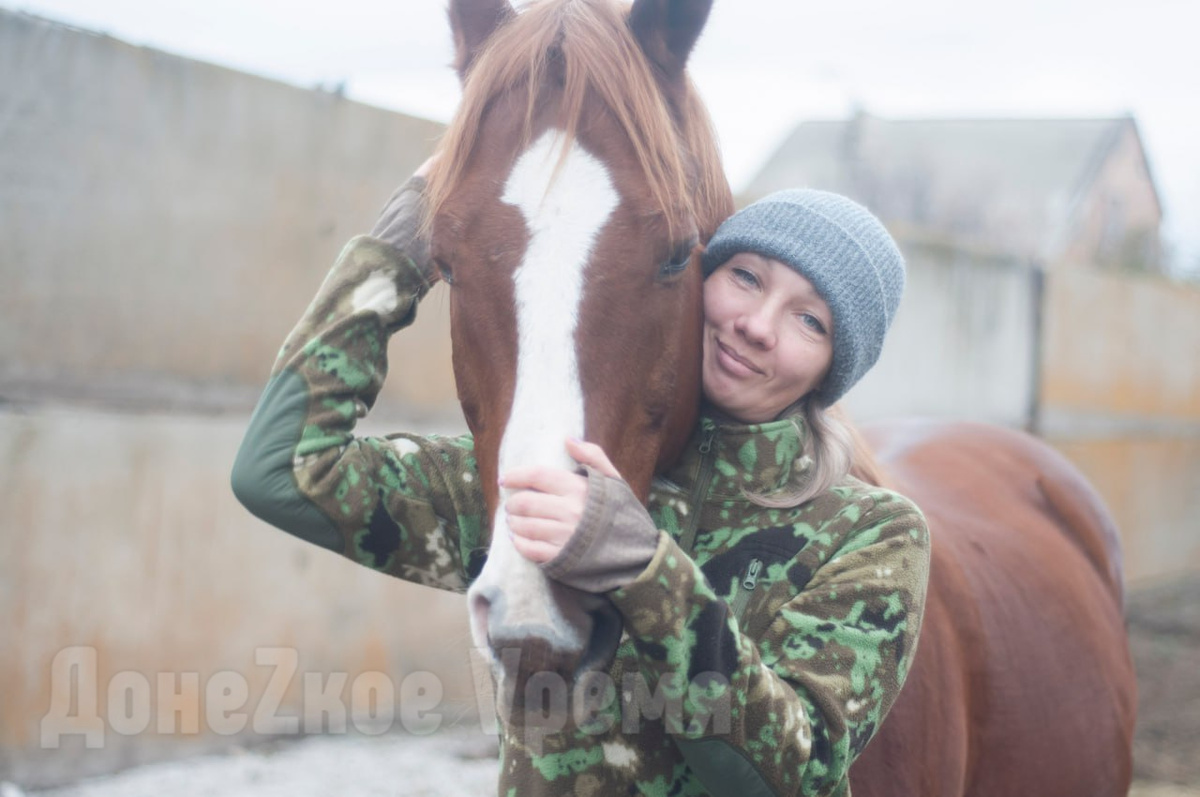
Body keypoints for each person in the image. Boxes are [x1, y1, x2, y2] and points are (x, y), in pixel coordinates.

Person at [231, 159, 930, 797]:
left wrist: (643, 568)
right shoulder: (553, 472)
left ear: (833, 367)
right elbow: (284, 471)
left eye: (810, 320)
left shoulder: (871, 533)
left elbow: (793, 774)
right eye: (746, 277)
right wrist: (406, 244)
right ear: (695, 278)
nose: (757, 324)